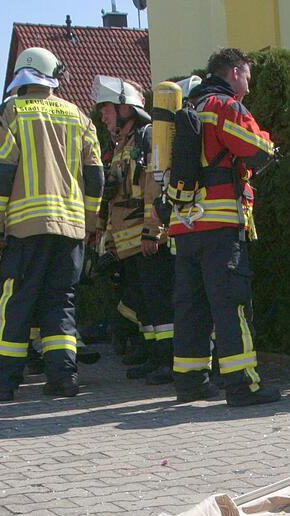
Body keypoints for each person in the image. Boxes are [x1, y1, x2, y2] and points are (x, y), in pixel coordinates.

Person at [0, 47, 103, 402]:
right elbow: (96, 176)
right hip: (71, 232)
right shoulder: (79, 117)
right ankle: (63, 379)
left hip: (26, 230)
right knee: (62, 303)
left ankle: (1, 383)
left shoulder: (10, 114)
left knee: (15, 302)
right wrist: (89, 222)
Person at [168, 48, 280, 407]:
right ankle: (243, 385)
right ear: (234, 72)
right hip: (219, 224)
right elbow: (256, 148)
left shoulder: (186, 108)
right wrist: (268, 141)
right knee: (231, 306)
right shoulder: (223, 106)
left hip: (184, 227)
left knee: (191, 307)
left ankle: (190, 381)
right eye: (247, 74)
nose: (249, 83)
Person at [93, 75, 173, 385]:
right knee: (144, 308)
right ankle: (154, 358)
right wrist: (107, 238)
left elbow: (155, 186)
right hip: (128, 246)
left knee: (159, 305)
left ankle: (167, 361)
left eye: (107, 109)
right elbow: (114, 200)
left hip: (148, 241)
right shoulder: (120, 147)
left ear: (126, 108)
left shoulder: (146, 138)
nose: (103, 115)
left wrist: (154, 230)